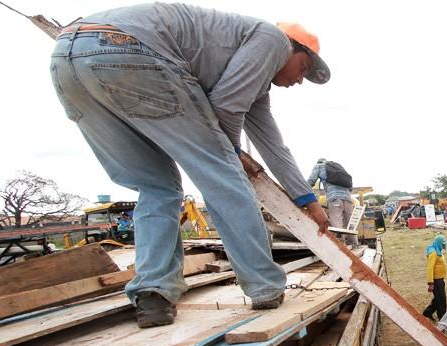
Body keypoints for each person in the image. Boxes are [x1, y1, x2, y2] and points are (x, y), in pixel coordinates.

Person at [49, 4, 331, 328]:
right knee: (223, 175)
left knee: (157, 187)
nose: (299, 81)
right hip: (130, 48)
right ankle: (264, 285)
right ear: (294, 49)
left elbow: (273, 145)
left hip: (67, 60)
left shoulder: (253, 83)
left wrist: (306, 199)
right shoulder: (273, 39)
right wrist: (229, 154)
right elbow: (226, 107)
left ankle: (154, 293)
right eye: (303, 69)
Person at [307, 158, 358, 246]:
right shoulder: (337, 167)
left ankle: (340, 246)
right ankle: (354, 244)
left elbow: (310, 182)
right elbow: (350, 185)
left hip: (334, 198)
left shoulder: (319, 166)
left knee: (337, 224)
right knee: (350, 224)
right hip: (348, 198)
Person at [422, 234, 447, 321]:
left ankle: (427, 312)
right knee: (441, 300)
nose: (444, 245)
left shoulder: (438, 250)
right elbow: (430, 268)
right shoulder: (433, 252)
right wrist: (431, 283)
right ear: (438, 243)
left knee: (438, 298)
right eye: (442, 243)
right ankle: (443, 319)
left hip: (440, 279)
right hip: (436, 280)